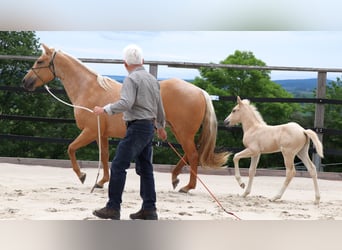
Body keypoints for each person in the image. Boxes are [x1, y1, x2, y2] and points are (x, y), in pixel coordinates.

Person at [92, 44, 167, 220]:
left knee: (118, 165)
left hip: (137, 127)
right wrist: (161, 126)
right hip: (148, 127)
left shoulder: (131, 79)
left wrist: (105, 109)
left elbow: (126, 103)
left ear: (125, 63)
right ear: (142, 61)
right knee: (146, 169)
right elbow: (159, 106)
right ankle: (149, 209)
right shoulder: (152, 79)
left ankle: (113, 207)